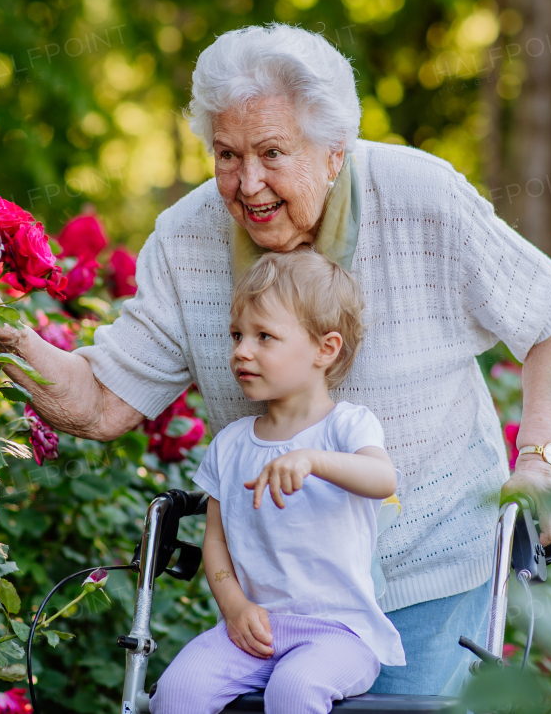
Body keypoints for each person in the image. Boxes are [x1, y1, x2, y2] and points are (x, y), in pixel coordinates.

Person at [0, 23, 551, 693]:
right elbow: (102, 400)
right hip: (276, 601)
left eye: (272, 153)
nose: (248, 184)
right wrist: (9, 336)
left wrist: (540, 460)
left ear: (335, 152)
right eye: (226, 155)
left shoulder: (420, 197)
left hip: (433, 566)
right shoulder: (187, 239)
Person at [151, 249, 400, 714]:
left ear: (325, 350)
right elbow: (216, 543)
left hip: (341, 634)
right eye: (238, 335)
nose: (242, 350)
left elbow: (382, 478)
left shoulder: (347, 427)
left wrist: (314, 460)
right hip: (254, 628)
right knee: (175, 693)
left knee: (294, 691)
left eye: (264, 336)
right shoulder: (231, 444)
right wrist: (235, 608)